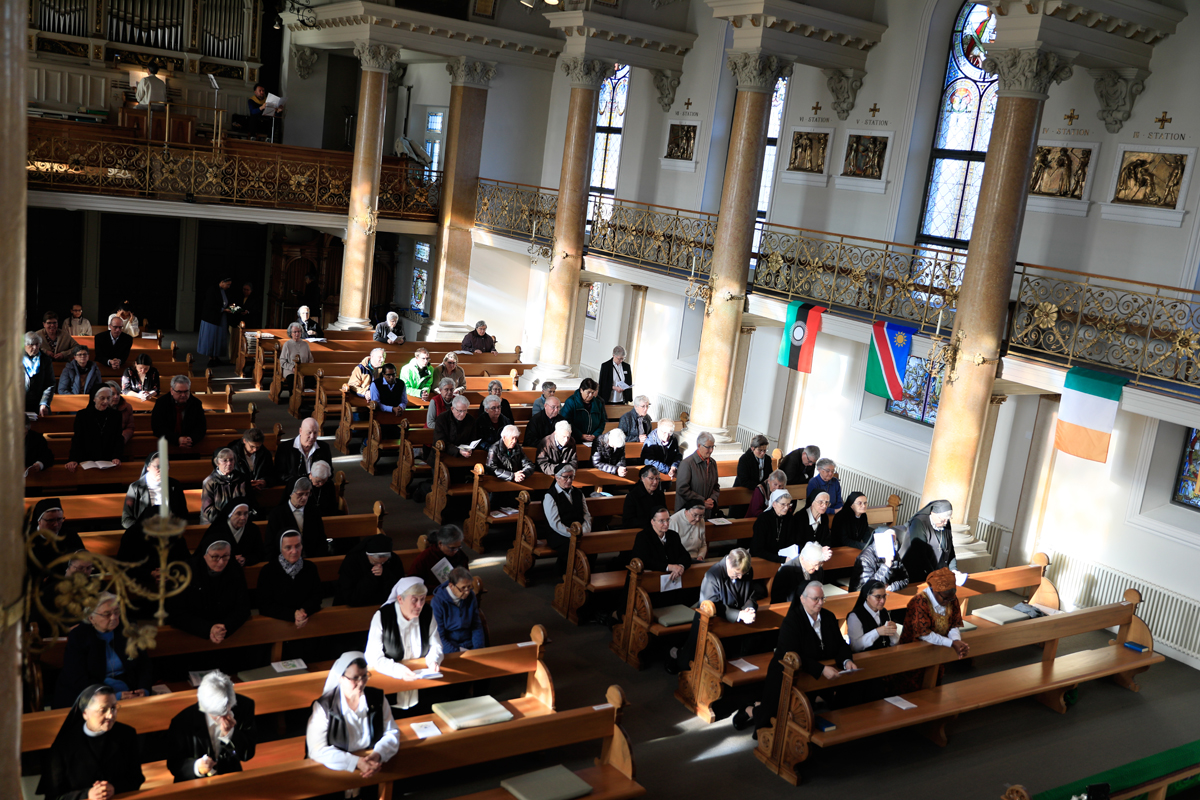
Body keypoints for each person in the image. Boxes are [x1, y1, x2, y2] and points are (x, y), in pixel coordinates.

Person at [751, 581, 857, 731]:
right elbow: (793, 655)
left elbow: (840, 644)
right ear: (802, 599)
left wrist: (846, 661)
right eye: (815, 599)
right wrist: (821, 669)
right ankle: (752, 710)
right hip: (786, 671)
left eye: (822, 598)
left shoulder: (828, 617)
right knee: (773, 716)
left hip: (814, 669)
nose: (820, 603)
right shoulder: (792, 621)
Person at [305, 651, 401, 792]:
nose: (361, 683)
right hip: (335, 777)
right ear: (341, 678)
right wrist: (356, 762)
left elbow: (392, 732)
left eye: (364, 676)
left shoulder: (377, 698)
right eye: (355, 678)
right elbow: (317, 749)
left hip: (371, 769)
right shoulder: (324, 707)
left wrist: (378, 754)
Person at [37, 684, 145, 800]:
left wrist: (114, 788)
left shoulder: (127, 734)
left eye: (113, 708)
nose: (110, 715)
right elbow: (53, 796)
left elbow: (136, 778)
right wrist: (87, 794)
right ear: (85, 713)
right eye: (103, 710)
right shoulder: (63, 745)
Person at [52, 593, 152, 709]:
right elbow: (77, 678)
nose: (114, 617)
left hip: (128, 691)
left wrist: (143, 689)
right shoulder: (79, 636)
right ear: (91, 618)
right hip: (90, 695)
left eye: (116, 612)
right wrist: (112, 696)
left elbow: (144, 664)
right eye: (106, 614)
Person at [670, 549, 761, 675]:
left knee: (727, 657)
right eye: (737, 573)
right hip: (709, 620)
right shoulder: (713, 575)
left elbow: (751, 594)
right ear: (729, 563)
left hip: (734, 620)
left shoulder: (746, 571)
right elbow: (712, 606)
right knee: (692, 657)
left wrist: (749, 608)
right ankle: (675, 658)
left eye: (743, 574)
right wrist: (739, 614)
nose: (740, 577)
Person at [365, 577, 444, 711]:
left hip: (421, 688)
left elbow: (436, 644)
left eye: (422, 599)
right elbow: (373, 657)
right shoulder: (383, 616)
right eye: (414, 600)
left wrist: (433, 661)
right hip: (389, 692)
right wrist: (399, 671)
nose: (419, 605)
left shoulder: (427, 613)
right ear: (400, 599)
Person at [166, 671, 257, 782]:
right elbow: (174, 764)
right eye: (215, 713)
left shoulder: (244, 706)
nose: (221, 717)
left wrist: (230, 734)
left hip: (230, 777)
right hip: (194, 783)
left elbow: (247, 754)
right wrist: (197, 767)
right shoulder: (182, 721)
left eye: (226, 709)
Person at [894, 567, 969, 693]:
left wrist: (957, 640)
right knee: (911, 689)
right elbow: (924, 634)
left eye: (951, 598)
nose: (948, 602)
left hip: (937, 648)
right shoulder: (919, 602)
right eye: (945, 598)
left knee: (933, 685)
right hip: (914, 650)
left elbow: (953, 624)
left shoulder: (951, 598)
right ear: (934, 590)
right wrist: (952, 643)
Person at [257, 530, 323, 628]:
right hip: (277, 625)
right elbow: (264, 605)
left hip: (307, 620)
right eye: (288, 547)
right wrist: (293, 614)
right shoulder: (268, 571)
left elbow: (317, 597)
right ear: (280, 548)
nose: (294, 551)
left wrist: (303, 611)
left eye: (298, 546)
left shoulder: (310, 567)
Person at [544, 465, 592, 573]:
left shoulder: (578, 493)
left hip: (579, 531)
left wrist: (585, 530)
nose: (569, 480)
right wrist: (572, 534)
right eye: (566, 477)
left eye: (571, 477)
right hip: (559, 534)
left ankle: (586, 576)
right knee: (571, 548)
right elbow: (554, 523)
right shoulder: (550, 496)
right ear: (557, 477)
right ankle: (566, 574)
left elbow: (586, 514)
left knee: (591, 546)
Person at [265, 477, 329, 558]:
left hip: (312, 557)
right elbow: (271, 544)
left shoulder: (314, 511)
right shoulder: (277, 514)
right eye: (300, 494)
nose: (305, 498)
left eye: (307, 494)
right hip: (285, 559)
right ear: (290, 493)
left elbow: (321, 539)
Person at [335, 534, 405, 607]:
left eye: (383, 563)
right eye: (375, 562)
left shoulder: (394, 559)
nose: (379, 566)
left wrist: (385, 574)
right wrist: (372, 575)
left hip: (385, 603)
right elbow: (350, 596)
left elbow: (399, 587)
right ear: (368, 555)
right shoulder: (352, 561)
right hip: (357, 603)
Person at [122, 452, 188, 528]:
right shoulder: (135, 488)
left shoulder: (175, 485)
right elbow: (126, 520)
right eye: (158, 466)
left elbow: (183, 514)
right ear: (148, 467)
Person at [66, 386, 123, 472]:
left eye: (108, 398)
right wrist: (73, 459)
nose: (106, 401)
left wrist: (116, 457)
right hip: (86, 459)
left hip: (109, 460)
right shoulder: (82, 415)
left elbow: (118, 438)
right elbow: (77, 439)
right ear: (94, 399)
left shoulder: (116, 415)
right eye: (102, 398)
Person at [431, 566, 485, 654]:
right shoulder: (438, 602)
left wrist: (478, 649)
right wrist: (457, 653)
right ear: (451, 586)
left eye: (469, 587)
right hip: (450, 646)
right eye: (463, 588)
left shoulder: (471, 596)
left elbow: (476, 625)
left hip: (470, 643)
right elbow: (439, 636)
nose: (467, 592)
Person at [903, 499, 958, 584]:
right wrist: (934, 575)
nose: (945, 523)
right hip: (918, 575)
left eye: (948, 519)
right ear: (933, 513)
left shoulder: (945, 523)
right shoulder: (919, 522)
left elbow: (950, 549)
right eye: (943, 520)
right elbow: (920, 554)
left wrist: (954, 570)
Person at [197, 501, 266, 567]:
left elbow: (259, 553)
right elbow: (207, 555)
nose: (243, 518)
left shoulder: (253, 529)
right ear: (230, 515)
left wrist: (245, 559)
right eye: (238, 514)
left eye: (246, 513)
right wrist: (230, 560)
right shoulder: (218, 530)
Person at [631, 507, 692, 576]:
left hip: (673, 576)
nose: (666, 524)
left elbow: (685, 555)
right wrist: (669, 567)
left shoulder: (673, 535)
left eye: (667, 520)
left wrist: (680, 566)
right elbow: (644, 561)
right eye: (661, 521)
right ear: (653, 522)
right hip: (650, 576)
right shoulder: (643, 537)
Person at [409, 524, 470, 592]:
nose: (456, 551)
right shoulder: (425, 557)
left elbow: (466, 576)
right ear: (440, 544)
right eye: (452, 548)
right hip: (432, 594)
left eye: (458, 547)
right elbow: (412, 583)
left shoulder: (460, 555)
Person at [151, 375, 207, 449]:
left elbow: (201, 427)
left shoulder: (196, 403)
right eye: (179, 392)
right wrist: (177, 439)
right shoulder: (161, 403)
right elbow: (157, 428)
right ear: (172, 391)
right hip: (167, 444)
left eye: (186, 391)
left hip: (191, 445)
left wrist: (191, 439)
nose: (183, 395)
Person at [276, 417, 333, 488]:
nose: (312, 436)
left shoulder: (324, 447)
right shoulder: (284, 448)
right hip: (293, 488)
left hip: (318, 488)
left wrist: (320, 479)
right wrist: (305, 480)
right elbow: (280, 475)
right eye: (309, 432)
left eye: (315, 433)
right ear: (300, 431)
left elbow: (330, 472)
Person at [847, 579, 900, 654]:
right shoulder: (855, 616)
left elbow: (894, 642)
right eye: (878, 597)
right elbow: (855, 647)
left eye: (884, 596)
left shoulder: (884, 612)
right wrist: (877, 632)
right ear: (867, 596)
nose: (882, 601)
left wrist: (892, 631)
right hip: (865, 657)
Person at [200, 448, 250, 524]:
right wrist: (228, 521)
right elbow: (208, 510)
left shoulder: (242, 478)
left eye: (231, 460)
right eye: (225, 460)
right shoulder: (209, 482)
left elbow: (250, 501)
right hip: (216, 522)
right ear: (217, 462)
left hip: (240, 520)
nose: (229, 463)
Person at [751, 490, 801, 564]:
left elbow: (792, 542)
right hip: (764, 559)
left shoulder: (789, 518)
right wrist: (780, 559)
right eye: (783, 504)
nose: (786, 508)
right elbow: (757, 549)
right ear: (774, 504)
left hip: (784, 558)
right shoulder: (763, 519)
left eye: (788, 504)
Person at [856, 525, 910, 593]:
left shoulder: (895, 554)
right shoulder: (865, 558)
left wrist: (890, 588)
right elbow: (868, 587)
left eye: (893, 542)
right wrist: (887, 566)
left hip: (886, 594)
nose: (892, 545)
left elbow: (905, 579)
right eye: (888, 541)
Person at [676, 431, 719, 516]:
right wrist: (702, 501)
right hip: (689, 512)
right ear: (699, 446)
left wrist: (712, 500)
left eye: (713, 447)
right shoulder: (687, 463)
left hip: (706, 512)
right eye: (708, 447)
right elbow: (682, 489)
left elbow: (716, 486)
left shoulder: (712, 463)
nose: (711, 450)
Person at [198, 277, 234, 366]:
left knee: (219, 338)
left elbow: (223, 302)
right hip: (211, 318)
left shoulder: (223, 290)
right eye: (228, 284)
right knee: (211, 338)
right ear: (222, 282)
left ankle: (216, 357)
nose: (229, 287)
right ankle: (211, 358)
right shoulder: (212, 290)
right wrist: (224, 309)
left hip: (220, 317)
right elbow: (210, 304)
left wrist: (229, 306)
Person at [278, 321, 314, 400]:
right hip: (290, 371)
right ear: (291, 333)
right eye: (294, 332)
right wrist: (292, 368)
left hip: (304, 370)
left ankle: (305, 398)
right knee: (292, 379)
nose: (297, 334)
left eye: (299, 331)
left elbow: (311, 360)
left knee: (312, 379)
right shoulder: (287, 345)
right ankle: (293, 398)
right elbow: (282, 361)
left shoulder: (305, 344)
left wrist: (306, 370)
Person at [561, 377, 605, 442]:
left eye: (593, 392)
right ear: (581, 390)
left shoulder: (598, 403)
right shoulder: (571, 402)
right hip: (574, 439)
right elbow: (566, 421)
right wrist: (580, 435)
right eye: (588, 392)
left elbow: (602, 421)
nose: (590, 395)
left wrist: (595, 435)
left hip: (593, 439)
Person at [24, 332, 56, 415]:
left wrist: (44, 403)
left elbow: (50, 384)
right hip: (18, 404)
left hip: (39, 404)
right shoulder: (14, 359)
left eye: (37, 345)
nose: (35, 348)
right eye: (31, 345)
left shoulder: (46, 360)